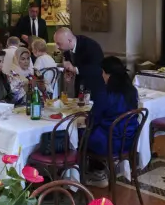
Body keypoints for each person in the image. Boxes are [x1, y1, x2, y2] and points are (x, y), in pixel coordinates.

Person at [83, 56, 140, 187]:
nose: (101, 75)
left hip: (110, 141)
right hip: (129, 139)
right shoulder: (132, 91)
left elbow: (93, 119)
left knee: (81, 136)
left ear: (107, 73)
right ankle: (99, 171)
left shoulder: (105, 93)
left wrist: (85, 119)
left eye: (102, 72)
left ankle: (97, 173)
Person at [54, 27, 105, 101]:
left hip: (94, 86)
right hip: (80, 85)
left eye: (59, 43)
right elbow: (70, 64)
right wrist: (69, 72)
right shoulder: (66, 49)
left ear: (69, 40)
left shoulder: (90, 46)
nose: (57, 46)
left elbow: (97, 68)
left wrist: (74, 69)